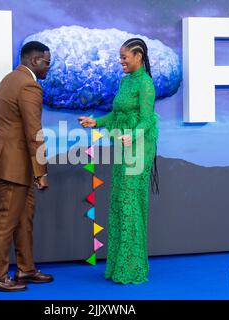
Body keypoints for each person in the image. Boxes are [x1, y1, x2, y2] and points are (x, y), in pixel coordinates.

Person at [79, 38, 160, 284]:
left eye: (125, 57)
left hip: (138, 147)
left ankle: (132, 267)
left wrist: (132, 135)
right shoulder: (126, 81)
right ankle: (119, 265)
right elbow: (117, 113)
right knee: (119, 201)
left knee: (130, 202)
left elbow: (147, 120)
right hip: (123, 145)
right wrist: (97, 122)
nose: (121, 61)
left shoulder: (145, 84)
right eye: (120, 57)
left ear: (139, 56)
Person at [0, 41, 53, 292]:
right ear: (34, 61)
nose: (49, 67)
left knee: (23, 217)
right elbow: (34, 132)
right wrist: (41, 170)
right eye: (47, 62)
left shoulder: (10, 79)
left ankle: (26, 269)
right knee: (6, 220)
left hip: (10, 161)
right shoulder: (29, 86)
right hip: (13, 163)